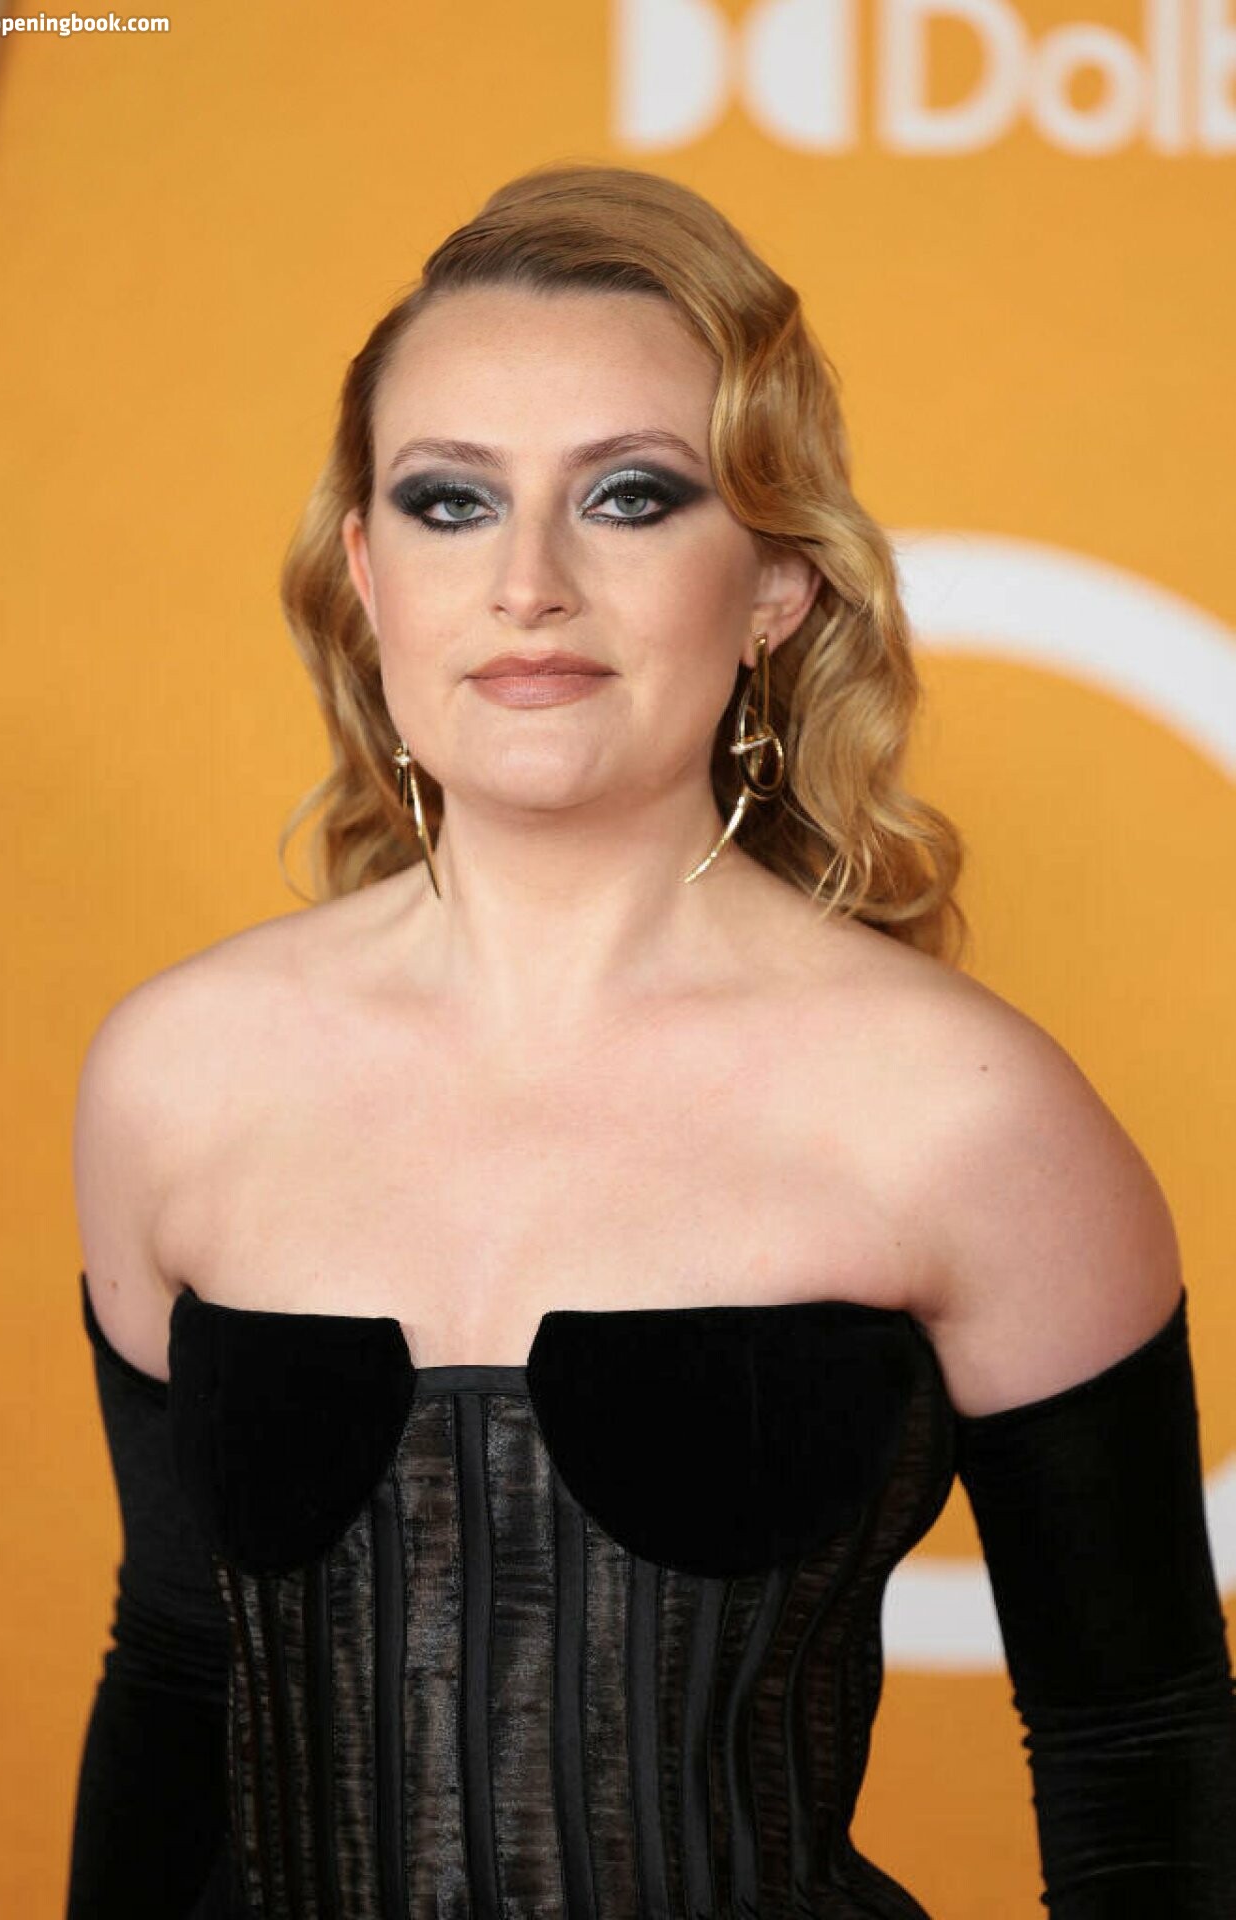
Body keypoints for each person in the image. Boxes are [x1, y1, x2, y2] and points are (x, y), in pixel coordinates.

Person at [65, 162, 1236, 1919]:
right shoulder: (177, 1073)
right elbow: (175, 1675)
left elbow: (1137, 1750)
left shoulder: (965, 1114)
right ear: (367, 572)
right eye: (450, 502)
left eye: (628, 496)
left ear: (773, 581)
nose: (527, 583)